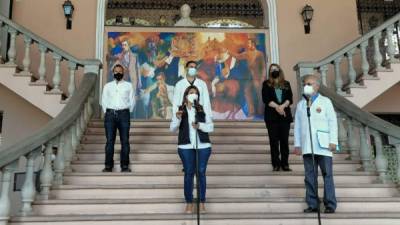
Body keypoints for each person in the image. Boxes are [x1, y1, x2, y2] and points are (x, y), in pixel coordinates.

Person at [293, 74, 338, 214]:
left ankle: (330, 204)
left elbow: (332, 121)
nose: (308, 86)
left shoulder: (326, 102)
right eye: (306, 84)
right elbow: (298, 127)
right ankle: (313, 204)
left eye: (310, 84)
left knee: (327, 175)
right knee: (310, 176)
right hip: (307, 146)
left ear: (317, 86)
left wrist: (333, 141)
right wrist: (297, 144)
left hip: (324, 146)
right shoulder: (301, 104)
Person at [170, 85, 214, 214]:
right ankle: (189, 203)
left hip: (203, 146)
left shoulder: (202, 110)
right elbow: (172, 128)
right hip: (185, 146)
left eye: (195, 93)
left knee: (201, 173)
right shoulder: (180, 110)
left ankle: (201, 203)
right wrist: (178, 118)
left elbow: (211, 127)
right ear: (186, 95)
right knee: (189, 173)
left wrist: (200, 125)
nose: (193, 94)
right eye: (191, 92)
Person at [101, 64, 135, 173]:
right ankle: (108, 166)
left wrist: (125, 111)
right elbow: (104, 101)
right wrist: (108, 112)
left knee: (125, 141)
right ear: (113, 73)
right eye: (116, 71)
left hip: (124, 115)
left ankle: (124, 166)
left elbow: (132, 101)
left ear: (123, 73)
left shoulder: (128, 86)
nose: (118, 73)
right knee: (110, 141)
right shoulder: (107, 86)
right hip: (110, 115)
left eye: (120, 72)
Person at [262, 64, 293, 171]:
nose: (273, 71)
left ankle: (285, 163)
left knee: (284, 141)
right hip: (272, 118)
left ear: (280, 70)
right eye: (271, 70)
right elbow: (266, 99)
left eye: (275, 69)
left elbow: (290, 98)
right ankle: (275, 164)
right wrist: (278, 108)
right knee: (273, 141)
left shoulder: (286, 84)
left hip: (285, 117)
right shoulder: (266, 84)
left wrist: (283, 106)